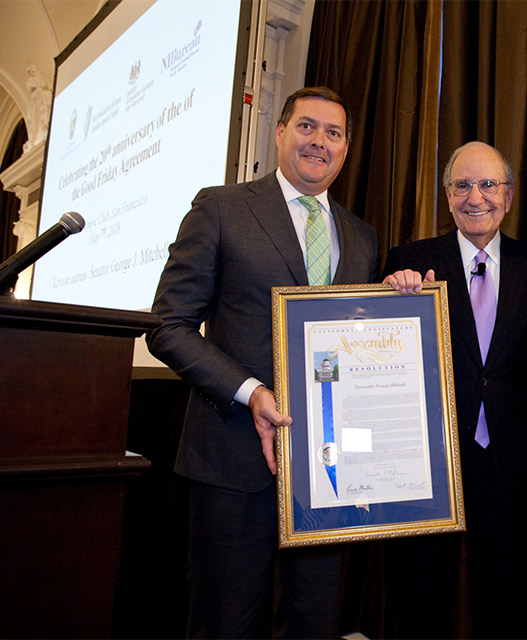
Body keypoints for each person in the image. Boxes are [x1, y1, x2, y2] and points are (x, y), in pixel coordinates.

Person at [147, 86, 378, 638]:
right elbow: (168, 325)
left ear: (346, 149)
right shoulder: (222, 208)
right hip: (233, 459)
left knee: (314, 623)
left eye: (334, 133)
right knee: (224, 622)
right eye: (306, 127)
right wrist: (250, 391)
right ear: (279, 133)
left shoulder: (363, 237)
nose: (319, 141)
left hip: (329, 475)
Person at [381, 141, 527, 638]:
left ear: (509, 195)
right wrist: (392, 295)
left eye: (487, 184)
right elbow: (382, 355)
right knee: (422, 593)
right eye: (461, 185)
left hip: (510, 458)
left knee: (509, 595)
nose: (475, 196)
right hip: (430, 460)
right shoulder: (410, 262)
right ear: (446, 195)